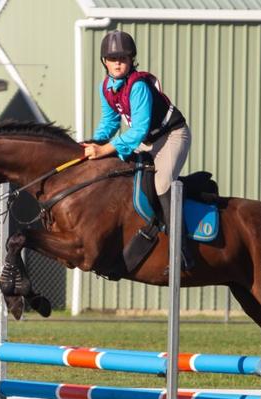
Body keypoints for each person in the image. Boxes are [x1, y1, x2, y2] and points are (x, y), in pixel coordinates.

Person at [82, 30, 194, 269]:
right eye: (113, 59)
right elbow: (110, 122)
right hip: (147, 139)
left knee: (162, 183)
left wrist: (105, 150)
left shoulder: (138, 86)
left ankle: (182, 252)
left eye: (123, 58)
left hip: (172, 135)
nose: (118, 63)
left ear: (132, 60)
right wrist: (94, 142)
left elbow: (139, 130)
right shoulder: (106, 87)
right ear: (105, 62)